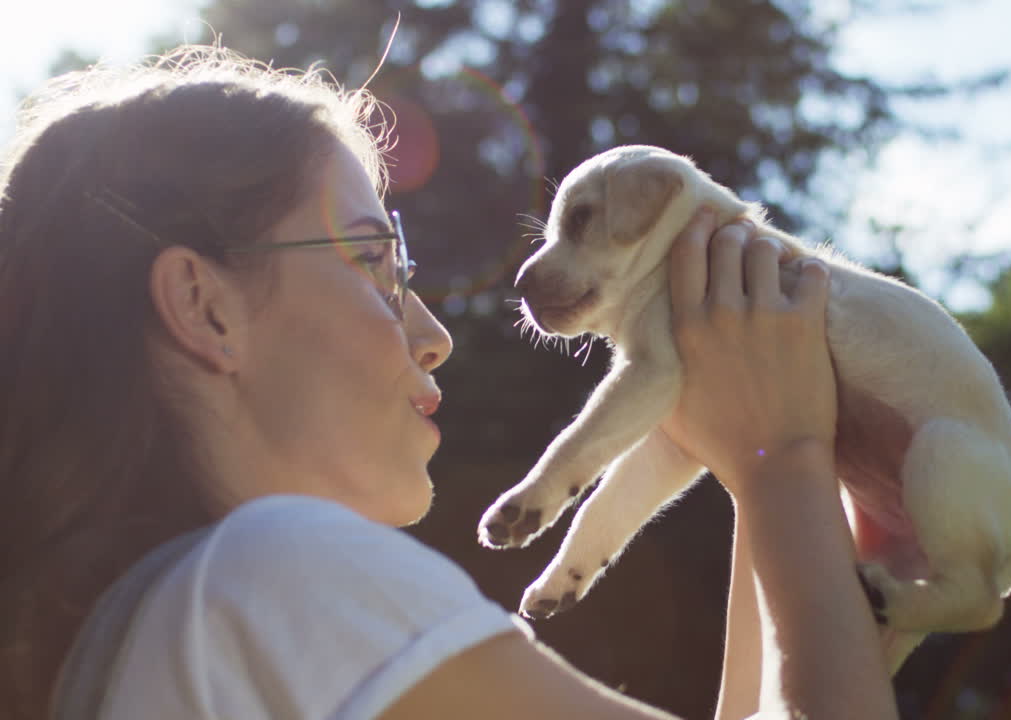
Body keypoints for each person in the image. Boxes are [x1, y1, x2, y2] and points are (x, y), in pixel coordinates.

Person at [0, 45, 897, 719]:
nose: (431, 337)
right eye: (374, 265)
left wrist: (763, 464)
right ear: (205, 307)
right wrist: (789, 465)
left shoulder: (137, 641)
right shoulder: (273, 575)